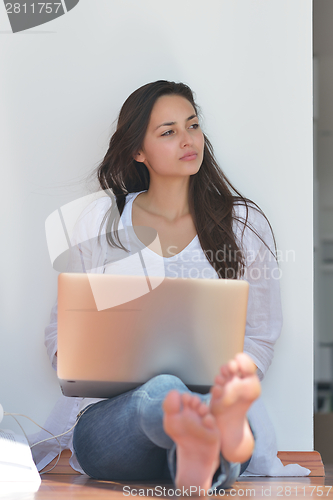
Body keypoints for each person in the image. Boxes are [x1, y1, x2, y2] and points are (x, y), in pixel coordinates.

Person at [34, 80, 286, 490]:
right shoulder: (101, 221)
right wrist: (86, 359)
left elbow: (260, 336)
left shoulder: (241, 225)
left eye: (192, 125)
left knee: (200, 409)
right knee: (164, 391)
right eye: (168, 132)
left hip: (215, 408)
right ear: (138, 151)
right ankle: (194, 434)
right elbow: (59, 333)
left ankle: (194, 450)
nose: (188, 140)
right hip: (115, 424)